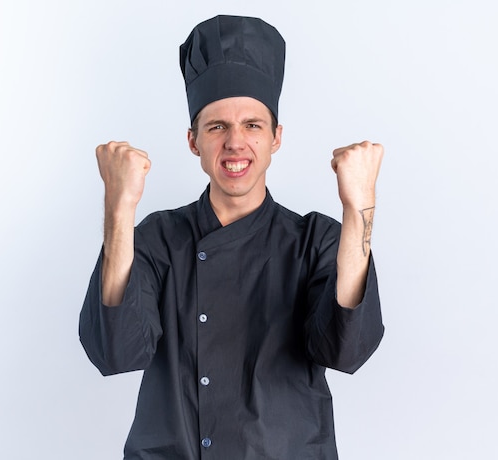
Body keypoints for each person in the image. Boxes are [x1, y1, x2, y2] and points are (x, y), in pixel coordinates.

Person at [80, 14, 385, 460]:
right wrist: (119, 207)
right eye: (217, 126)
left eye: (253, 125)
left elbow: (346, 351)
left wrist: (358, 208)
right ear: (193, 140)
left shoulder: (315, 240)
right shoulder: (157, 239)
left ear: (277, 137)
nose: (235, 143)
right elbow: (115, 352)